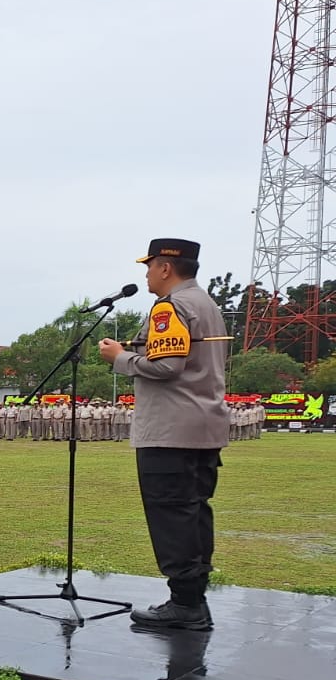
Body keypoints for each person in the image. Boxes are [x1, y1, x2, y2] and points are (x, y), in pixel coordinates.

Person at [98, 238, 229, 630]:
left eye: (150, 266)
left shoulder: (171, 307)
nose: (147, 273)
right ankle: (193, 598)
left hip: (170, 429)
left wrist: (120, 358)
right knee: (193, 511)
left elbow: (168, 366)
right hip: (203, 425)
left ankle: (185, 603)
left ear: (166, 267)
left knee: (172, 514)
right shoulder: (206, 305)